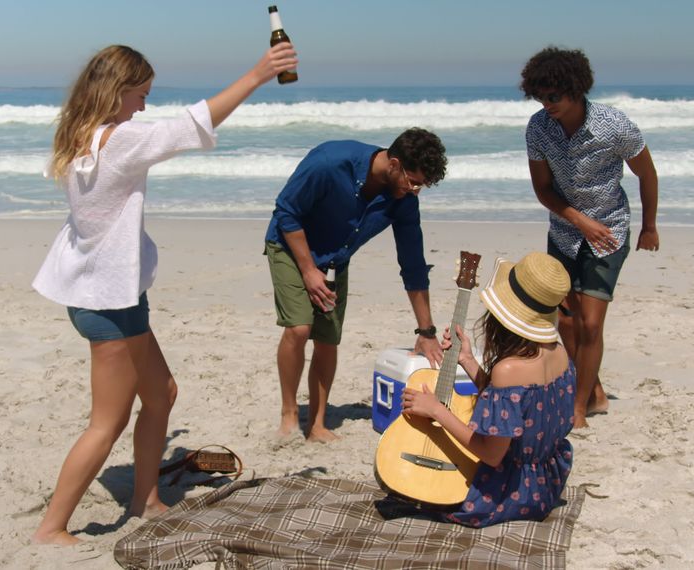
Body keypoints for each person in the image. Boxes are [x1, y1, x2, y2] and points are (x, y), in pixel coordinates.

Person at [29, 41, 297, 546]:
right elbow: (189, 127)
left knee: (162, 394)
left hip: (104, 293)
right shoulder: (119, 141)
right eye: (140, 95)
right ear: (117, 90)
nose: (144, 106)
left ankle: (146, 499)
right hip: (107, 302)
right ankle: (51, 528)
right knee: (105, 424)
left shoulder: (81, 135)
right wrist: (258, 74)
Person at [265, 128, 449, 442]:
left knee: (327, 338)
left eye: (423, 185)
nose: (416, 190)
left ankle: (318, 424)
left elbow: (413, 266)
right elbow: (286, 211)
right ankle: (290, 413)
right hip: (291, 246)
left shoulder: (403, 201)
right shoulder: (329, 161)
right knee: (299, 327)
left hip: (336, 260)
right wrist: (308, 270)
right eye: (413, 181)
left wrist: (426, 332)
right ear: (393, 165)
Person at [520, 46, 660, 429]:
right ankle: (594, 391)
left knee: (591, 324)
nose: (546, 104)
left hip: (609, 230)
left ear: (575, 89)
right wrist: (579, 221)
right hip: (565, 231)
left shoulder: (615, 126)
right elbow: (543, 191)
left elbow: (647, 174)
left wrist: (649, 226)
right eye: (539, 96)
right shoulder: (538, 129)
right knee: (565, 322)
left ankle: (579, 407)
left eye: (553, 96)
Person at [402, 252, 575, 527]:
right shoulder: (560, 353)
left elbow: (492, 454)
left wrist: (436, 409)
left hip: (509, 492)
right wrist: (468, 360)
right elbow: (516, 407)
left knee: (411, 492)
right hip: (545, 483)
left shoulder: (507, 369)